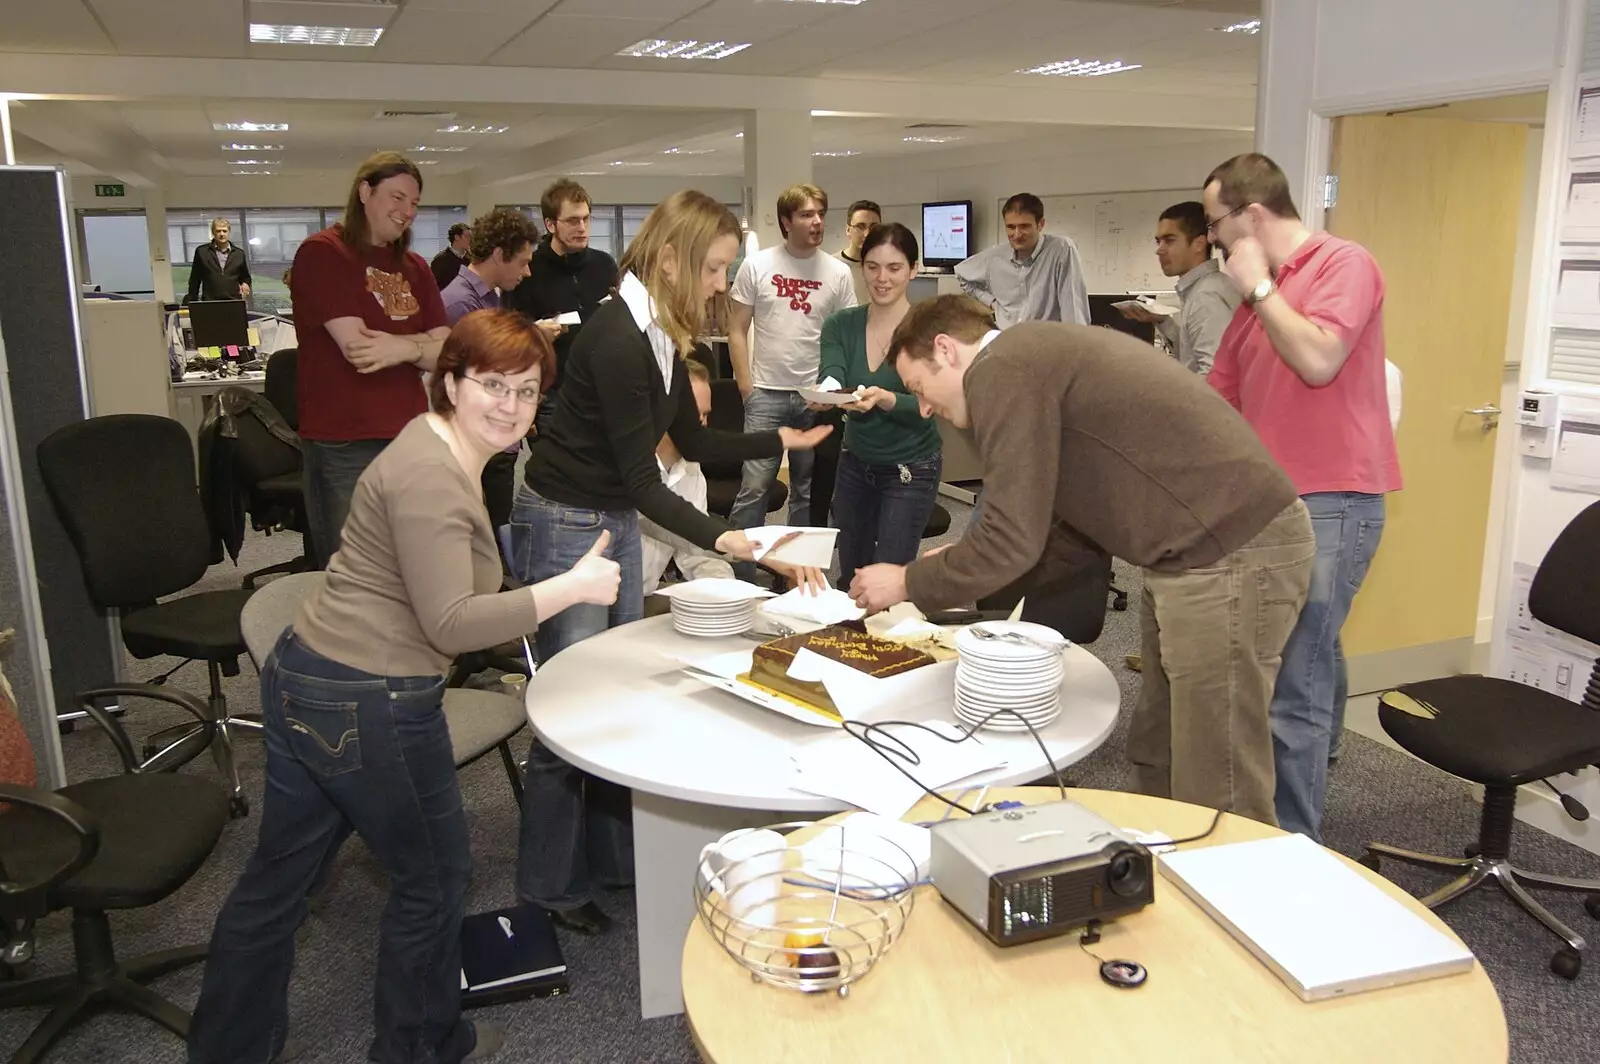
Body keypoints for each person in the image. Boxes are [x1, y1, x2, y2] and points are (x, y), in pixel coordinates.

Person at [187, 309, 618, 1064]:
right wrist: (569, 589)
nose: (511, 407)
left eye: (526, 390)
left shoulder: (432, 444)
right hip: (368, 699)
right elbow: (451, 624)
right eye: (492, 385)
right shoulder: (432, 477)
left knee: (278, 882)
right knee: (434, 878)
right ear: (451, 381)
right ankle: (421, 1045)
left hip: (308, 674)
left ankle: (227, 1049)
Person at [849, 295, 1314, 826]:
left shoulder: (1001, 369)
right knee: (1159, 744)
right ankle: (1156, 867)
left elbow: (1011, 538)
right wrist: (970, 565)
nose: (925, 408)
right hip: (1193, 553)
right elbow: (1064, 526)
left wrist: (909, 580)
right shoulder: (1027, 360)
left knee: (1218, 775)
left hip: (1232, 552)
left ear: (947, 350)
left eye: (918, 389)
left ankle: (1230, 892)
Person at [512, 189, 832, 934]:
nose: (723, 287)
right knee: (569, 707)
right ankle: (550, 885)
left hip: (609, 514)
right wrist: (731, 538)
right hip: (569, 521)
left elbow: (692, 442)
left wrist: (776, 443)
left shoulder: (660, 333)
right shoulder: (619, 336)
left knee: (611, 696)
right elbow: (640, 478)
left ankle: (610, 859)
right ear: (670, 260)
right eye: (716, 269)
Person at [1204, 152, 1401, 841]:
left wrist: (1259, 289)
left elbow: (1319, 359)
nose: (1213, 242)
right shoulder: (1260, 303)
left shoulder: (1343, 264)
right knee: (1275, 675)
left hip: (1332, 500)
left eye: (1215, 223)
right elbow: (1214, 403)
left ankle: (1296, 846)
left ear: (1252, 216)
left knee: (1296, 685)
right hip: (1270, 507)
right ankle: (1273, 823)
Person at [290, 152, 450, 568]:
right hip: (345, 443)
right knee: (352, 573)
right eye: (397, 197)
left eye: (414, 204)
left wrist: (403, 349)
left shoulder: (415, 266)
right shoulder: (324, 253)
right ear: (365, 191)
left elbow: (447, 353)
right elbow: (359, 349)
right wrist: (422, 346)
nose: (406, 212)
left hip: (409, 438)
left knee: (409, 566)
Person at [726, 183, 857, 537]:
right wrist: (745, 387)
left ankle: (795, 572)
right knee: (755, 488)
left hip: (816, 397)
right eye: (806, 214)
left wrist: (837, 393)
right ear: (786, 221)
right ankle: (740, 571)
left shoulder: (838, 272)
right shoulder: (757, 265)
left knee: (808, 491)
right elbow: (736, 329)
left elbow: (848, 337)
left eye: (820, 214)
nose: (816, 222)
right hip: (765, 394)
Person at [817, 222, 942, 586]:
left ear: (913, 270)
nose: (881, 278)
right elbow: (833, 371)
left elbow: (929, 404)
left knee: (889, 581)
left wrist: (887, 400)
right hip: (855, 464)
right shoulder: (841, 324)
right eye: (872, 267)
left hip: (910, 468)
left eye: (894, 268)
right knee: (852, 576)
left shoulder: (929, 331)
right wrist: (829, 393)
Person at [441, 207, 540, 530]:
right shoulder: (460, 304)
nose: (527, 273)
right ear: (499, 255)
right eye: (523, 262)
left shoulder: (488, 300)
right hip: (480, 445)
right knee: (485, 544)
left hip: (496, 442)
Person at [501, 178, 618, 421]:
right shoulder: (527, 270)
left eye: (586, 219)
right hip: (552, 392)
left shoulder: (604, 265)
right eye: (573, 221)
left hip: (602, 388)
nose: (582, 228)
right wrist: (536, 332)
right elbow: (510, 333)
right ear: (550, 224)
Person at [640, 358, 735, 593]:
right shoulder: (626, 465)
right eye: (694, 414)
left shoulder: (691, 470)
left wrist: (728, 594)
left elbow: (698, 553)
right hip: (602, 603)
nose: (701, 425)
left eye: (705, 415)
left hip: (643, 597)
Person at [1119, 200, 1241, 376]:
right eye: (1158, 241)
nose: (1159, 250)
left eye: (1169, 241)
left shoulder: (1205, 296)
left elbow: (1213, 378)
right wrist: (1162, 321)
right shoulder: (1204, 288)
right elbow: (1191, 355)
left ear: (1199, 243)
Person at [954, 193, 1089, 327]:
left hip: (1044, 343)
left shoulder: (1061, 250)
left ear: (1040, 224)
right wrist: (992, 302)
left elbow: (1074, 315)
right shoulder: (995, 257)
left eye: (1024, 226)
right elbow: (961, 274)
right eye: (1011, 227)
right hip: (1006, 340)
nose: (1017, 235)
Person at [185, 216, 252, 303]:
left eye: (224, 231)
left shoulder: (239, 253)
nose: (222, 234)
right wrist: (192, 301)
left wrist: (245, 284)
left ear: (229, 232)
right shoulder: (202, 252)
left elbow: (245, 277)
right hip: (210, 302)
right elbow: (195, 279)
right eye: (218, 231)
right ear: (213, 232)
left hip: (234, 301)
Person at [835, 199, 881, 304]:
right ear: (848, 230)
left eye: (874, 227)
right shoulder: (832, 266)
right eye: (860, 226)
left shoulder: (886, 267)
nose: (867, 234)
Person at [431, 222, 471, 291]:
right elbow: (433, 286)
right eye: (467, 236)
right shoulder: (440, 260)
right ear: (457, 237)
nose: (470, 240)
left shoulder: (472, 259)